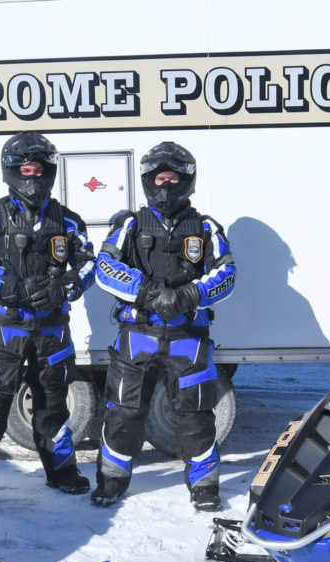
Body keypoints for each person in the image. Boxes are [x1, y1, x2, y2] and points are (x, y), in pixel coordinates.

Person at [91, 141, 236, 511]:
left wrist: (189, 295)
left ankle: (204, 485)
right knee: (124, 409)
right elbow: (104, 268)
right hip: (138, 333)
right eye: (160, 178)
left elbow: (227, 273)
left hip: (188, 336)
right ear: (147, 180)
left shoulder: (205, 226)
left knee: (195, 412)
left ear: (187, 180)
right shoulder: (130, 223)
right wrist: (147, 291)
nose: (166, 185)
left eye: (174, 178)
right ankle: (111, 480)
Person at [0, 131, 95, 508]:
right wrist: (6, 284)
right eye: (26, 169)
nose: (32, 177)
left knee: (53, 404)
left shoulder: (68, 220)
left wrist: (64, 288)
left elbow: (90, 263)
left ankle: (62, 470)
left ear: (50, 172)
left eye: (39, 170)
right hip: (5, 328)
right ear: (12, 171)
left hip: (52, 329)